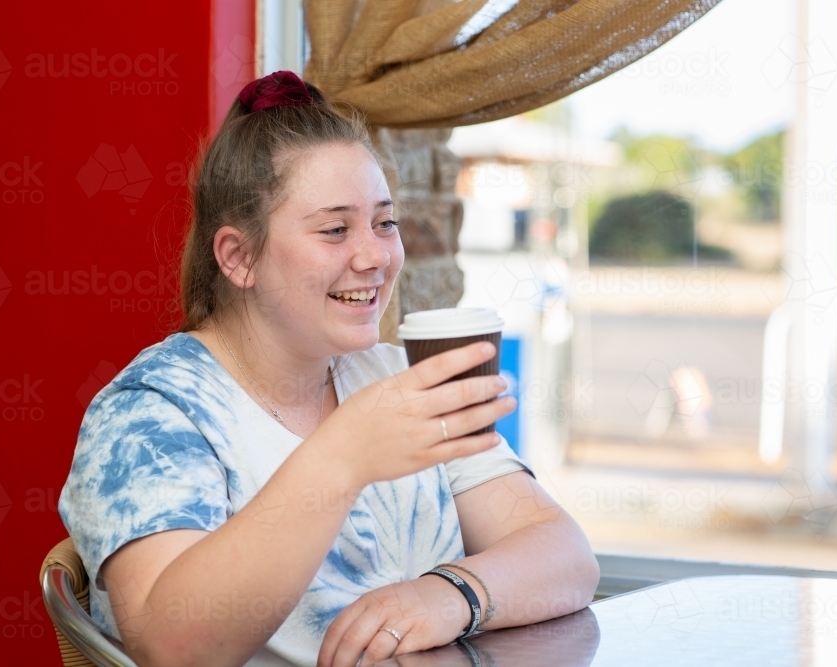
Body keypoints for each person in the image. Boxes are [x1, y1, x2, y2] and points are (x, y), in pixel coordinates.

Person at [59, 71, 600, 667]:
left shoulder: (397, 376)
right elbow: (174, 647)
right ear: (239, 258)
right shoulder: (151, 411)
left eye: (384, 222)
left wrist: (449, 594)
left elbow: (565, 556)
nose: (374, 256)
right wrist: (342, 458)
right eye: (335, 229)